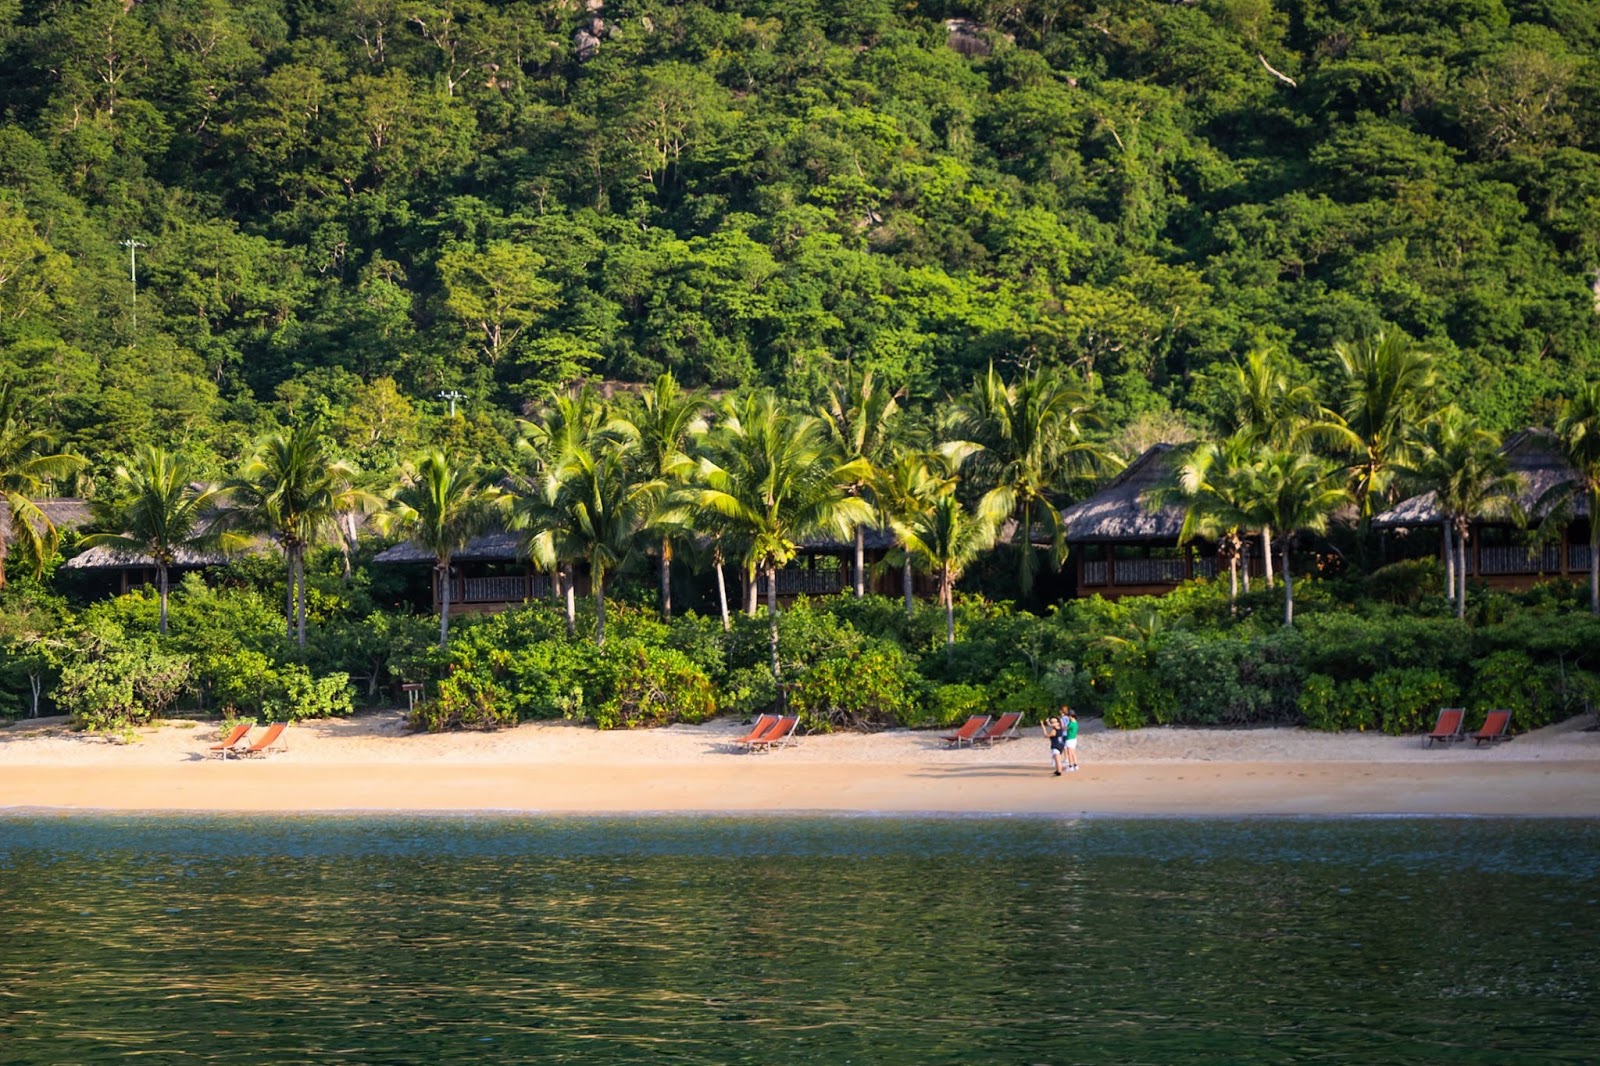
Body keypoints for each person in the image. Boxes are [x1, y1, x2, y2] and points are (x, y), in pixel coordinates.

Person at [1062, 706, 1080, 772]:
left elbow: (1065, 728)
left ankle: (1070, 766)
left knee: (1069, 753)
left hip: (1069, 739)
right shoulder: (1075, 722)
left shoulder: (1071, 723)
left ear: (1071, 716)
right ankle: (1075, 765)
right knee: (1073, 753)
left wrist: (1062, 726)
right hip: (1074, 739)